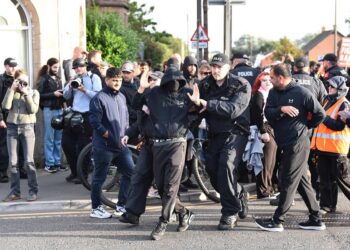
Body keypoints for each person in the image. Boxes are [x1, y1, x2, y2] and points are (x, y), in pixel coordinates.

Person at [255, 63, 326, 232]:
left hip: (298, 144)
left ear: (280, 78)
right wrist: (282, 109)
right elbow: (268, 113)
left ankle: (277, 220)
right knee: (301, 182)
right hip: (284, 142)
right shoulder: (273, 92)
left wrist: (305, 126)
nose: (269, 81)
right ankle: (316, 219)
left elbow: (320, 114)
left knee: (286, 180)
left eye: (272, 77)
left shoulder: (302, 93)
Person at [188, 53, 251, 230]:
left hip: (236, 132)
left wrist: (207, 104)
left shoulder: (240, 84)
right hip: (215, 134)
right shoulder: (205, 84)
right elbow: (191, 100)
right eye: (213, 67)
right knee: (213, 171)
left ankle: (230, 212)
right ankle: (238, 192)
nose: (215, 71)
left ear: (228, 67)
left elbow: (233, 109)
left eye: (219, 67)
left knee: (226, 165)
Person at [132, 65, 195, 240]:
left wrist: (196, 104)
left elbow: (200, 112)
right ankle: (184, 212)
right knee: (161, 187)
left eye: (177, 81)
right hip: (157, 145)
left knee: (171, 187)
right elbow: (136, 105)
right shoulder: (154, 93)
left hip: (177, 144)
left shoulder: (187, 93)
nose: (174, 84)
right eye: (170, 81)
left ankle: (163, 222)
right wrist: (142, 88)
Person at [88, 67, 134, 219]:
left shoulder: (121, 96)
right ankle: (96, 208)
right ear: (106, 80)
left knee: (131, 173)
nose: (117, 83)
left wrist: (126, 134)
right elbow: (94, 122)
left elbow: (125, 118)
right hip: (104, 146)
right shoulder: (98, 98)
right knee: (99, 178)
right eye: (114, 80)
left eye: (119, 80)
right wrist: (108, 134)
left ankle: (121, 206)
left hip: (121, 145)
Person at [119, 71, 164, 225]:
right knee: (139, 177)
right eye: (150, 80)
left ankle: (177, 212)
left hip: (166, 146)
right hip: (149, 144)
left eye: (155, 80)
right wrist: (128, 133)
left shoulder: (168, 97)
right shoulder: (146, 97)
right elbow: (139, 120)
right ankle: (132, 213)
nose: (152, 83)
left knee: (165, 182)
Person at [311, 76, 350, 215]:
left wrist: (323, 117)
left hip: (337, 149)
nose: (329, 88)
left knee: (343, 180)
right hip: (323, 148)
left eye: (332, 87)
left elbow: (339, 126)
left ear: (339, 89)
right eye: (329, 86)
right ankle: (327, 206)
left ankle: (328, 205)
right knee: (325, 180)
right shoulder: (327, 100)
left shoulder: (344, 103)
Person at [2, 69, 40, 202]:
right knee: (13, 163)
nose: (23, 83)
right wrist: (12, 90)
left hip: (28, 127)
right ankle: (15, 192)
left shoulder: (33, 92)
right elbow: (5, 107)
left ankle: (33, 191)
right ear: (15, 81)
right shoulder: (11, 91)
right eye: (20, 81)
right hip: (12, 127)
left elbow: (33, 110)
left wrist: (25, 94)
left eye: (25, 81)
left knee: (28, 162)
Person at [62, 58, 102, 184]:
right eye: (75, 67)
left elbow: (98, 96)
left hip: (87, 115)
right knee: (66, 143)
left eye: (80, 66)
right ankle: (74, 171)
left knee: (82, 146)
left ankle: (82, 174)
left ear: (85, 66)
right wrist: (69, 84)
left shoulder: (94, 78)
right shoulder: (74, 78)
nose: (78, 69)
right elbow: (66, 96)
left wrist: (84, 90)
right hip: (74, 114)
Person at [250, 72, 278, 199]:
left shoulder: (270, 94)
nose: (268, 82)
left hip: (270, 127)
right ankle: (263, 190)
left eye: (269, 80)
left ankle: (269, 187)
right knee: (265, 160)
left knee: (271, 159)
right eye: (264, 80)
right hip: (263, 128)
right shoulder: (259, 95)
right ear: (259, 83)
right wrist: (263, 131)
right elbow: (257, 116)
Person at [37, 58, 65, 173]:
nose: (56, 69)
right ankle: (49, 163)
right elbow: (39, 95)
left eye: (57, 67)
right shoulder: (44, 79)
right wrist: (53, 94)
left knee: (58, 138)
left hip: (59, 109)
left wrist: (64, 104)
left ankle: (57, 162)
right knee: (50, 137)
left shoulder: (58, 79)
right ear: (48, 66)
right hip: (49, 110)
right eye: (54, 67)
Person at [0, 58, 17, 183]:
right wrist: (0, 118)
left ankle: (19, 170)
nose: (12, 68)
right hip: (4, 116)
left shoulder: (17, 79)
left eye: (14, 66)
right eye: (10, 66)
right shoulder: (1, 79)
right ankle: (3, 173)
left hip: (15, 116)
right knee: (3, 145)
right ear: (5, 66)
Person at [120, 61, 140, 129]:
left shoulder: (138, 82)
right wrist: (138, 115)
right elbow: (125, 107)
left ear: (133, 72)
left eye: (128, 72)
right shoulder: (120, 87)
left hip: (140, 120)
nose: (125, 75)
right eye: (124, 72)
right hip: (129, 122)